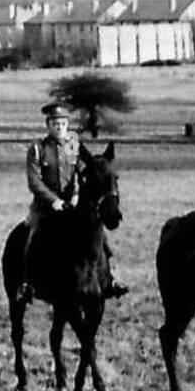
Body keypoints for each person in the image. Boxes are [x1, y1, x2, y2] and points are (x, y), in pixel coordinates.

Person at [17, 103, 128, 302]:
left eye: (62, 123)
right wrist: (53, 200)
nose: (59, 127)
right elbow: (34, 181)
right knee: (33, 235)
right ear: (48, 125)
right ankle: (28, 283)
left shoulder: (72, 142)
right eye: (55, 123)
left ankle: (109, 279)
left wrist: (75, 194)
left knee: (98, 233)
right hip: (44, 206)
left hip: (72, 203)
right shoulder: (38, 148)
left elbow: (78, 170)